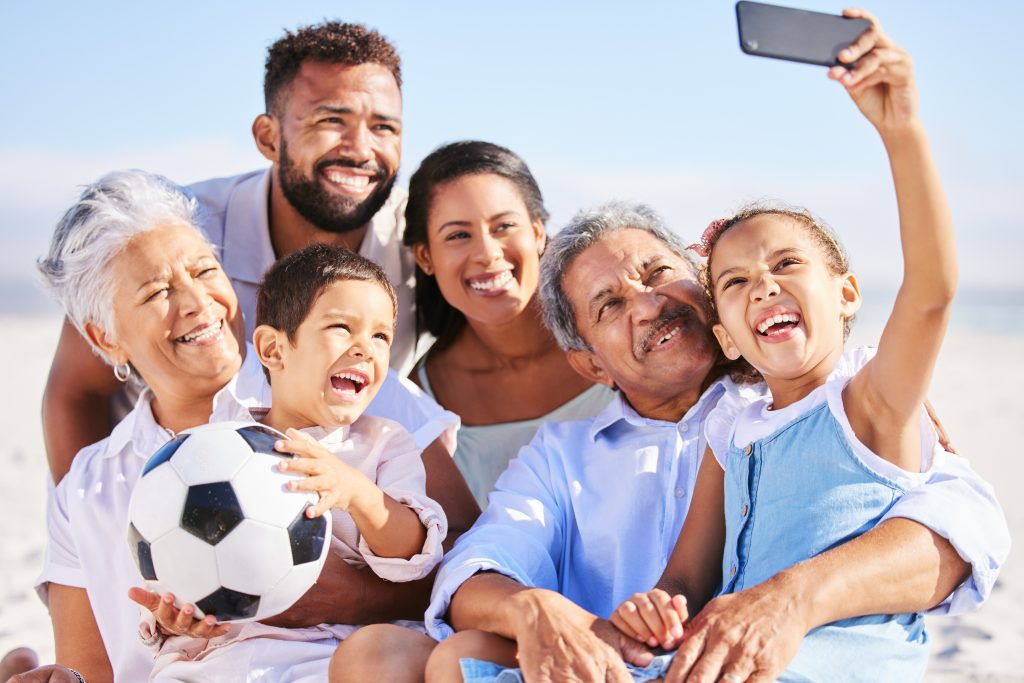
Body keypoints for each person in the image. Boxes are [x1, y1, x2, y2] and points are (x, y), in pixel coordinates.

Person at [422, 198, 1008, 680]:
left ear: (700, 285)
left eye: (657, 275)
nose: (649, 305)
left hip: (799, 661)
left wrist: (794, 595)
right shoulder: (561, 456)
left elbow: (968, 522)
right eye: (611, 305)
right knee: (422, 656)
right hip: (640, 663)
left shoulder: (813, 399)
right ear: (591, 366)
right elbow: (477, 569)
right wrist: (534, 608)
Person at [609, 12, 967, 681]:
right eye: (736, 282)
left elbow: (933, 291)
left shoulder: (872, 404)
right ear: (726, 334)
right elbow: (689, 572)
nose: (763, 286)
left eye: (786, 265)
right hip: (725, 659)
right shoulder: (730, 426)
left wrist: (902, 132)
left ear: (847, 294)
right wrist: (657, 608)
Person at [40, 23, 480, 545]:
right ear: (269, 137)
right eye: (331, 120)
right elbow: (75, 392)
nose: (361, 148)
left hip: (342, 502)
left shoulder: (420, 244)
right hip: (166, 498)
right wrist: (107, 548)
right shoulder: (175, 232)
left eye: (384, 127)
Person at [16, 171, 457, 683]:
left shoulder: (347, 390)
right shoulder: (87, 490)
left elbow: (468, 562)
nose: (197, 303)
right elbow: (90, 671)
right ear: (107, 338)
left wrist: (356, 597)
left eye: (205, 271)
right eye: (158, 291)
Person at [142, 244, 446, 681]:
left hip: (327, 654)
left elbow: (413, 552)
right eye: (342, 327)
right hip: (221, 658)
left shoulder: (382, 445)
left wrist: (357, 493)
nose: (366, 349)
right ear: (274, 350)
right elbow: (173, 559)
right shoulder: (212, 448)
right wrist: (174, 619)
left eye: (381, 335)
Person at [404, 141, 613, 504]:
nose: (487, 253)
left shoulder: (613, 333)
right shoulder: (419, 403)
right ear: (425, 256)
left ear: (536, 233)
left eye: (503, 226)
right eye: (458, 235)